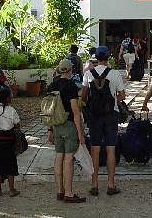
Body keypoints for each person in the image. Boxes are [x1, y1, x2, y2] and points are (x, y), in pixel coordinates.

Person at [81, 46, 125, 196]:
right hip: (111, 114)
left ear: (96, 58)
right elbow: (122, 95)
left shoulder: (88, 74)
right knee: (111, 148)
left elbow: (84, 96)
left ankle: (94, 185)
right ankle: (111, 185)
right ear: (108, 57)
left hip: (94, 116)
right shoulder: (115, 74)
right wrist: (112, 101)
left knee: (95, 148)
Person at [47, 60, 86, 203]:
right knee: (69, 159)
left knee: (59, 157)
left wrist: (49, 129)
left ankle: (60, 191)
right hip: (68, 125)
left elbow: (49, 110)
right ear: (70, 70)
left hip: (56, 125)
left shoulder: (52, 85)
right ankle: (69, 193)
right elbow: (76, 112)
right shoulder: (71, 86)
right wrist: (80, 133)